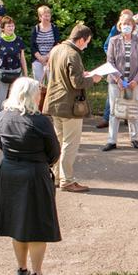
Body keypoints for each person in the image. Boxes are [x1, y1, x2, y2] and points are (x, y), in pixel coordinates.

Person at [0, 78, 61, 275]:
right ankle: (37, 273)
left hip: (9, 171)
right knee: (37, 225)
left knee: (17, 224)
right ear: (32, 96)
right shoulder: (40, 121)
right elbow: (54, 152)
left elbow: (0, 144)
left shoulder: (2, 117)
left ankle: (21, 269)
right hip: (34, 173)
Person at [44, 24, 102, 193]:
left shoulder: (57, 49)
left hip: (54, 102)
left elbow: (60, 72)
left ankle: (56, 176)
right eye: (87, 42)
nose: (87, 45)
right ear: (81, 39)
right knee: (70, 143)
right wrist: (94, 79)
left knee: (58, 141)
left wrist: (83, 74)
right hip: (70, 105)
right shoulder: (73, 54)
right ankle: (67, 180)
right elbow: (77, 83)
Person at [102, 15, 138, 151]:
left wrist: (136, 80)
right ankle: (112, 140)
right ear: (119, 26)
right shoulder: (114, 40)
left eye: (129, 23)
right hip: (116, 82)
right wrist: (118, 79)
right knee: (115, 111)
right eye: (123, 23)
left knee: (133, 110)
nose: (126, 25)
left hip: (133, 82)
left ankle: (134, 138)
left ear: (133, 26)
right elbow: (110, 62)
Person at [0, 16, 29, 115]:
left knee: (18, 102)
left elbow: (22, 59)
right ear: (3, 27)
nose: (11, 28)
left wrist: (26, 75)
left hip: (16, 73)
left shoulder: (19, 40)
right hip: (2, 74)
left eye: (12, 26)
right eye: (8, 26)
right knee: (0, 103)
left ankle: (15, 126)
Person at [30, 6, 60, 83]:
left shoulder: (54, 28)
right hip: (37, 59)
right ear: (40, 17)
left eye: (49, 15)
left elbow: (57, 44)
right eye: (45, 16)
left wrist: (47, 57)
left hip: (51, 59)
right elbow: (32, 46)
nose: (47, 18)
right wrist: (40, 58)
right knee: (38, 85)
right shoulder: (36, 29)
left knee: (53, 83)